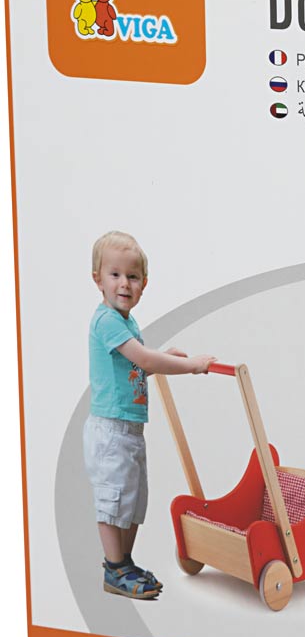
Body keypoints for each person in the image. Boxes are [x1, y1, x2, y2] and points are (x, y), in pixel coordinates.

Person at [86, 231, 216, 599]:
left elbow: (139, 365)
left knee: (132, 500)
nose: (124, 284)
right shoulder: (106, 321)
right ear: (98, 279)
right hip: (111, 430)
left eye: (133, 276)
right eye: (115, 275)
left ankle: (124, 563)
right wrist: (190, 365)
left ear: (144, 283)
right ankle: (114, 568)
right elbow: (143, 359)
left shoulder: (128, 323)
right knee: (113, 500)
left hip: (129, 429)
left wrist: (164, 358)